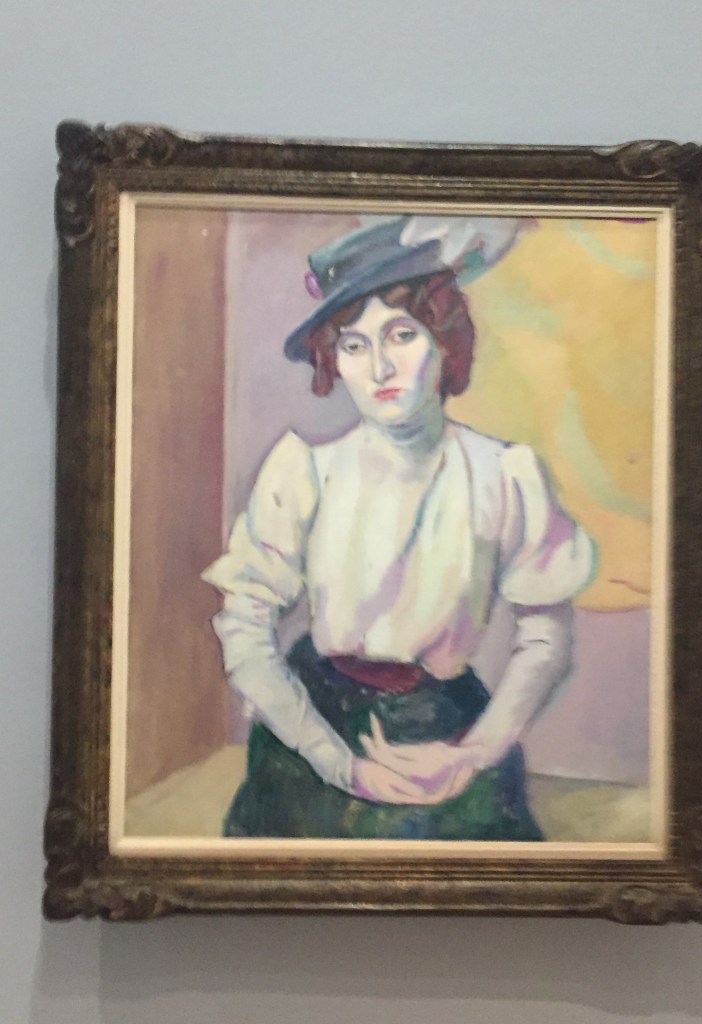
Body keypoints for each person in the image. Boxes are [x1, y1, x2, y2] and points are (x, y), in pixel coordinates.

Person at [202, 215, 596, 840]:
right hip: (315, 725)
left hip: (447, 725)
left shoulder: (506, 476)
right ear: (334, 360)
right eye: (354, 346)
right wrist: (338, 764)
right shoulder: (303, 472)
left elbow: (547, 635)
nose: (380, 367)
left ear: (446, 342)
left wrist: (471, 754)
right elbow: (244, 629)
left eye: (402, 335)